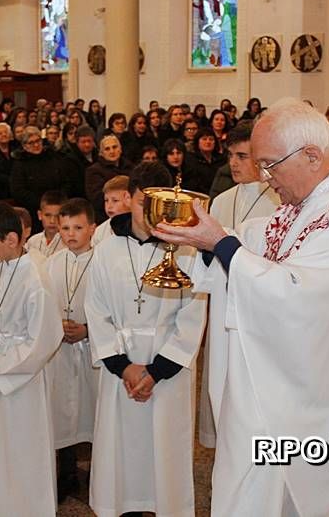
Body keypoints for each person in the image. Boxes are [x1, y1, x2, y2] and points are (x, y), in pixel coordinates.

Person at [157, 100, 329, 516]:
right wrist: (205, 236)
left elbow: (299, 297)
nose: (265, 179)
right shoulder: (311, 205)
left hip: (326, 402)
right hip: (288, 389)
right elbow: (256, 240)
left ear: (312, 155)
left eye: (270, 164)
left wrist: (221, 245)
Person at [85, 161, 206, 517]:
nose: (150, 212)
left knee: (164, 454)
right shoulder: (106, 249)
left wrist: (156, 371)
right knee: (120, 452)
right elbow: (97, 310)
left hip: (167, 369)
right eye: (142, 202)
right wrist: (123, 366)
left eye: (158, 203)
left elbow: (193, 314)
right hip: (121, 369)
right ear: (130, 198)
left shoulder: (185, 251)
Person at [0, 202, 63, 517]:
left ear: (11, 239)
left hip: (21, 380)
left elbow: (43, 340)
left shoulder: (36, 280)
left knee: (22, 450)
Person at [195, 120, 279, 450]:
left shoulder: (277, 199)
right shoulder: (222, 200)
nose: (234, 163)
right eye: (230, 155)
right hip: (223, 298)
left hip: (258, 304)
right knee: (221, 373)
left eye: (243, 156)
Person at [44, 198, 98, 503]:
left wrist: (87, 329)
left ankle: (94, 473)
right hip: (61, 350)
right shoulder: (51, 264)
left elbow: (111, 308)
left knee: (93, 409)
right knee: (61, 410)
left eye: (78, 227)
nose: (70, 234)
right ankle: (65, 473)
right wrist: (57, 326)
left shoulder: (102, 263)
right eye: (64, 228)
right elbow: (43, 305)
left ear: (92, 228)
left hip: (91, 348)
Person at [11, 126, 71, 232]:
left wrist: (60, 199)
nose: (36, 145)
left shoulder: (53, 157)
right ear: (24, 146)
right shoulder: (20, 164)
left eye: (38, 141)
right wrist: (43, 204)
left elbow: (66, 180)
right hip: (34, 210)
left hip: (59, 205)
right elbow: (18, 191)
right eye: (31, 143)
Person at [85, 134, 134, 224]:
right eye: (107, 149)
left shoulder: (130, 167)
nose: (112, 151)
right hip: (105, 218)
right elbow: (97, 199)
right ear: (101, 153)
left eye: (114, 147)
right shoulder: (94, 171)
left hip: (131, 215)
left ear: (120, 149)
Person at [25, 190, 67, 258]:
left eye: (57, 216)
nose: (52, 221)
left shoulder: (68, 243)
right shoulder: (32, 241)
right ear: (40, 215)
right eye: (47, 215)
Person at [92, 175, 130, 246]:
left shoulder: (139, 228)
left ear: (129, 199)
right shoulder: (100, 231)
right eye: (106, 200)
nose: (109, 206)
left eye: (115, 200)